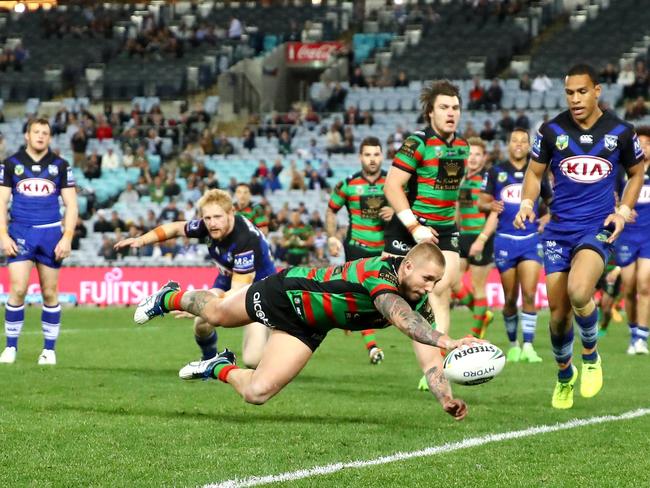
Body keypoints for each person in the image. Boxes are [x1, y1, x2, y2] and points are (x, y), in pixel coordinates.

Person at [133, 243, 475, 419]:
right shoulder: (379, 272)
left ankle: (217, 365)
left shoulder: (418, 302)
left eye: (435, 283)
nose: (430, 288)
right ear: (408, 266)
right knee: (217, 313)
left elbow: (431, 361)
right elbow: (399, 317)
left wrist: (445, 398)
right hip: (288, 294)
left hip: (310, 327)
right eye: (427, 279)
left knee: (257, 393)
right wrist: (448, 339)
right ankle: (170, 296)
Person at [514, 64, 646, 409]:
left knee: (578, 291)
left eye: (582, 91)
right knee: (558, 316)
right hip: (558, 231)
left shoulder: (621, 131)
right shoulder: (551, 129)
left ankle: (590, 355)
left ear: (597, 91)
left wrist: (621, 211)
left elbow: (636, 172)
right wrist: (528, 201)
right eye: (570, 92)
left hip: (596, 228)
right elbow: (534, 172)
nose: (575, 99)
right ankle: (564, 375)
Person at [114, 189, 276, 369]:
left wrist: (201, 304)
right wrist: (142, 240)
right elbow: (175, 228)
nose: (212, 223)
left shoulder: (245, 240)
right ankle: (211, 362)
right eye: (207, 218)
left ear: (231, 213)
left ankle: (278, 335)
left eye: (217, 217)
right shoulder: (207, 226)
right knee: (202, 325)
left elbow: (237, 293)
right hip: (227, 280)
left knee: (253, 360)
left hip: (259, 290)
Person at [383, 80, 468, 389]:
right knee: (396, 293)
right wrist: (415, 226)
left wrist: (455, 226)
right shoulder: (416, 143)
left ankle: (436, 366)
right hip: (412, 225)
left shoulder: (463, 147)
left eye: (455, 108)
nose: (451, 113)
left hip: (445, 228)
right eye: (444, 107)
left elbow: (451, 193)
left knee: (442, 288)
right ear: (430, 112)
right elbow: (391, 186)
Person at [0, 118, 78, 365]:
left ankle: (49, 351)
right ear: (27, 135)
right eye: (37, 132)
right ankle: (11, 347)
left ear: (50, 138)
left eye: (45, 133)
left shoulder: (60, 165)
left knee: (50, 292)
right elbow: (1, 202)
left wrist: (67, 236)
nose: (41, 136)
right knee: (18, 289)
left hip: (50, 234)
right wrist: (2, 235)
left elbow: (72, 205)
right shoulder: (11, 164)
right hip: (20, 231)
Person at [475, 128, 552, 364]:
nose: (518, 144)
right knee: (510, 298)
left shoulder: (537, 171)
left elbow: (551, 202)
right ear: (508, 144)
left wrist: (547, 218)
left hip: (530, 240)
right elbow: (481, 201)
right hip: (505, 240)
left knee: (529, 293)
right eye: (514, 140)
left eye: (523, 141)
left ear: (529, 146)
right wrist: (490, 207)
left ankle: (528, 345)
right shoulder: (496, 171)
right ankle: (513, 345)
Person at [326, 137, 394, 364]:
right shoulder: (348, 184)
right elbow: (331, 210)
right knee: (364, 296)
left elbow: (412, 205)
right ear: (360, 157)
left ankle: (352, 322)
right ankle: (373, 347)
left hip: (387, 250)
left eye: (376, 154)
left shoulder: (394, 182)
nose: (372, 159)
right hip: (357, 248)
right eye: (368, 155)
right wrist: (331, 237)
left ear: (382, 156)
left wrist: (395, 211)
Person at [613, 125, 650, 355]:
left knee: (645, 284)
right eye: (641, 143)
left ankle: (641, 339)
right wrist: (620, 208)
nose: (644, 147)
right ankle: (633, 331)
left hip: (648, 236)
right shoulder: (622, 171)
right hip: (627, 234)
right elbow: (611, 199)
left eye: (648, 143)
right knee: (628, 288)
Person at [454, 137, 494, 342]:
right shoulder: (462, 178)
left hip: (481, 236)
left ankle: (476, 332)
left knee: (478, 285)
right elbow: (458, 209)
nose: (473, 158)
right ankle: (483, 315)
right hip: (463, 235)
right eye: (470, 154)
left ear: (484, 157)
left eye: (477, 154)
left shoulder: (488, 179)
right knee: (453, 280)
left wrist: (482, 239)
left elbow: (495, 212)